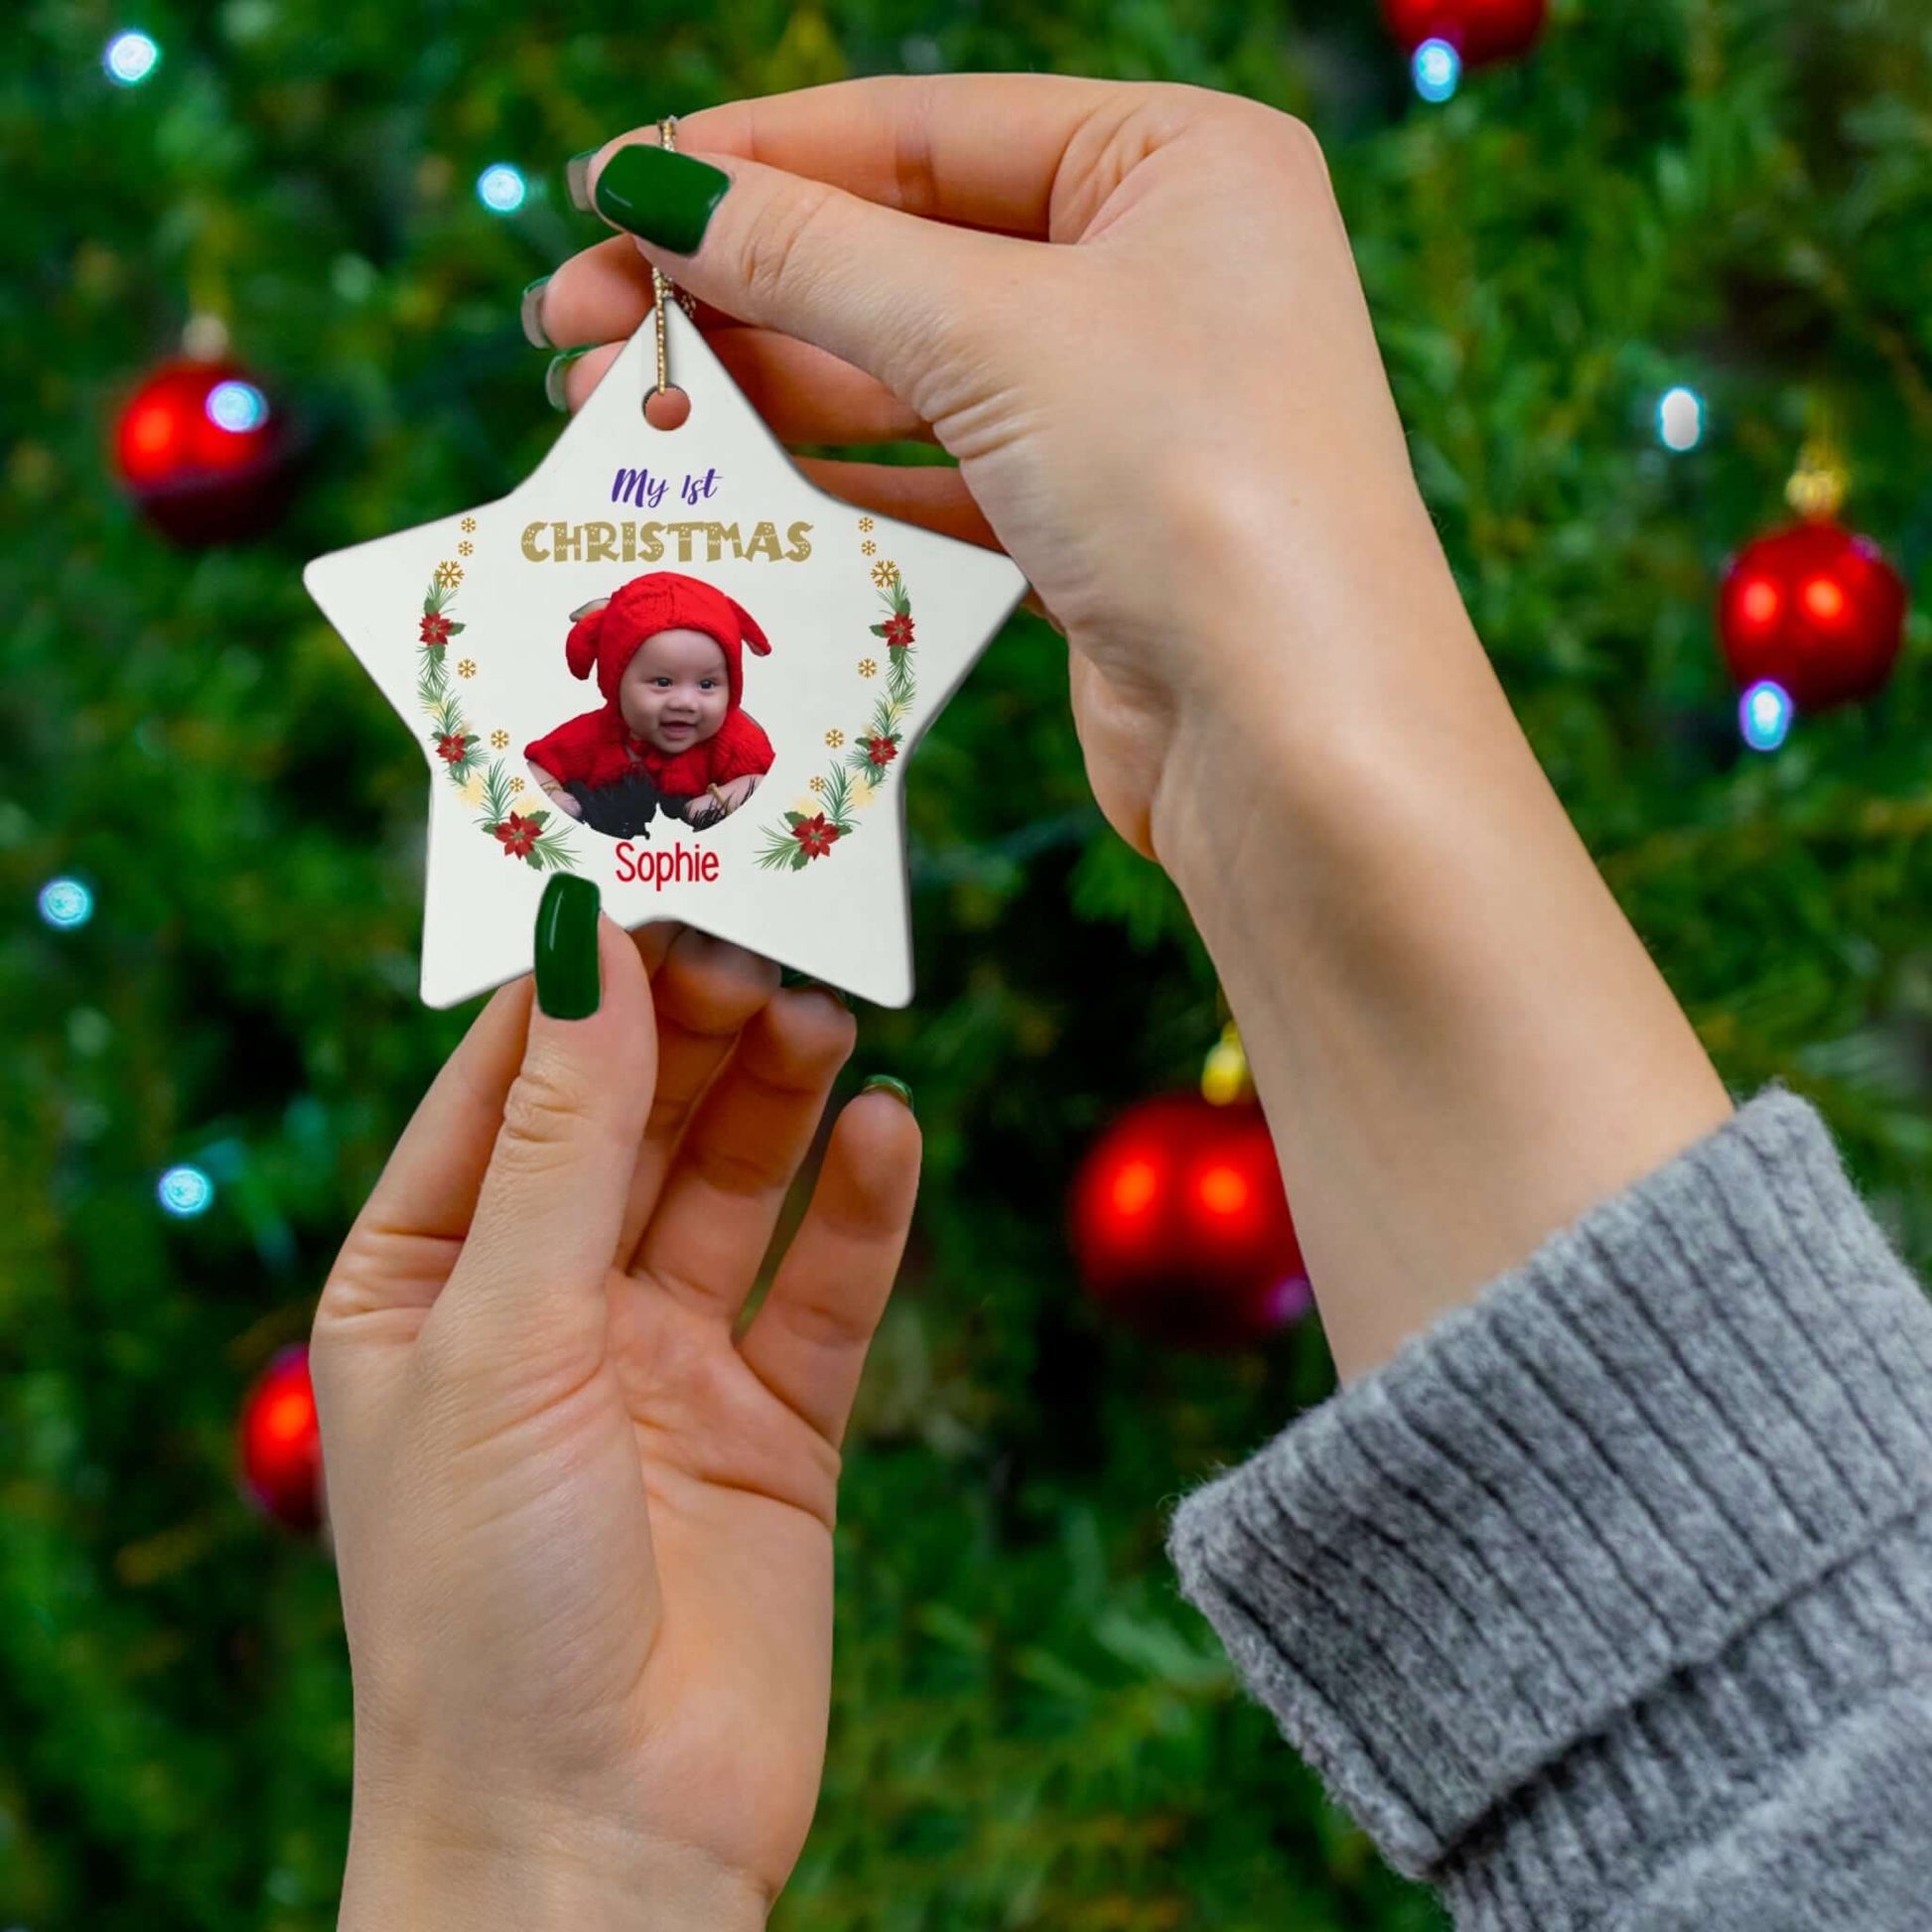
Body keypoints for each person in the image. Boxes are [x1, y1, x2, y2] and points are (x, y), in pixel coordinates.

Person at [311, 75, 1932, 1932]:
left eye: (705, 680)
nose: (679, 713)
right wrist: (558, 1855)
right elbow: (1826, 1782)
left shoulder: (768, 743)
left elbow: (1829, 1786)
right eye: (652, 683)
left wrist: (526, 1860)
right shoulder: (586, 757)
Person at [525, 570, 775, 836]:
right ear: (617, 683)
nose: (684, 702)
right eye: (663, 682)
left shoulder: (735, 740)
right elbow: (536, 768)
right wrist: (555, 797)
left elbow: (768, 782)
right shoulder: (595, 735)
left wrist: (721, 800)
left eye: (706, 685)